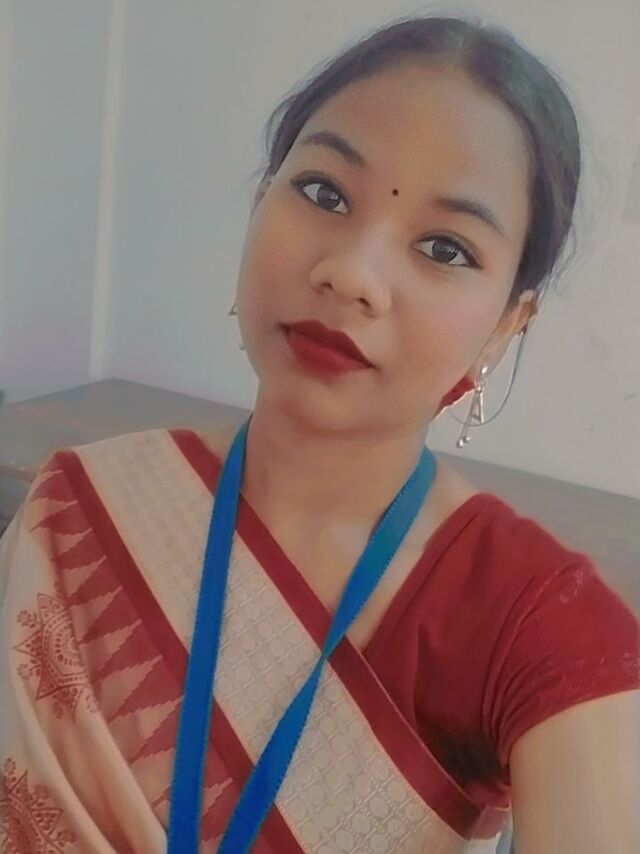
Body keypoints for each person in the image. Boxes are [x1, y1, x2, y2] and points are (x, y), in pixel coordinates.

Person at [1, 13, 639, 854]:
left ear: (504, 327)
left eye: (446, 248)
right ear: (261, 201)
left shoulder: (537, 625)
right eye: (324, 193)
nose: (351, 272)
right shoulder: (77, 503)